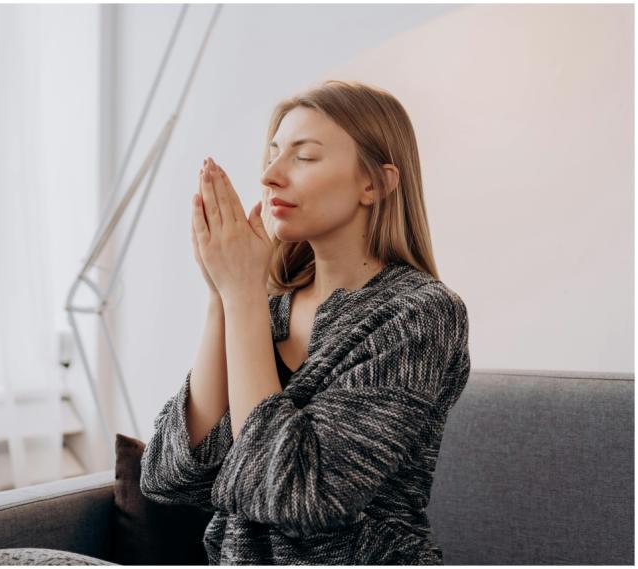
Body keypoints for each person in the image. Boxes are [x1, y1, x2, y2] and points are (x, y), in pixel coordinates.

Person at [139, 79, 471, 565]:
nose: (271, 175)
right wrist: (222, 295)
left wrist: (243, 296)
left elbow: (299, 494)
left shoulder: (420, 314)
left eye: (305, 156)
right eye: (272, 154)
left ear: (375, 183)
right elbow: (172, 477)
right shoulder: (268, 307)